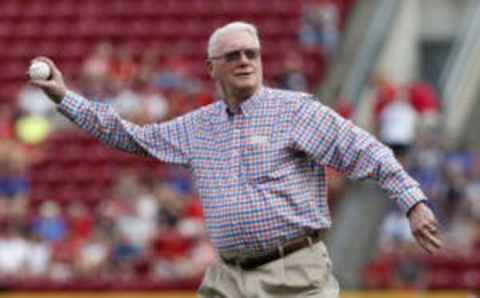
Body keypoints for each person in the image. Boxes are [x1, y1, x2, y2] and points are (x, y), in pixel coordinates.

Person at [30, 21, 442, 298]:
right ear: (212, 68)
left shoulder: (294, 110)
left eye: (252, 53)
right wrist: (65, 98)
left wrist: (413, 201)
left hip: (294, 273)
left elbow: (365, 150)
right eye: (233, 56)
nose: (245, 61)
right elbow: (131, 136)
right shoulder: (199, 125)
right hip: (229, 276)